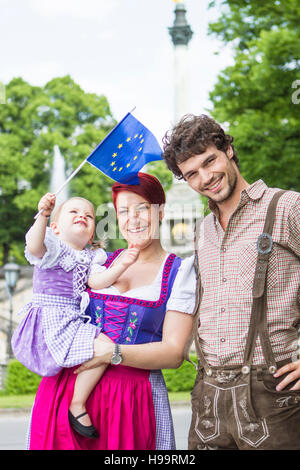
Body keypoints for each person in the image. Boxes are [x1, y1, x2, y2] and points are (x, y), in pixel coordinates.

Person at [26, 172, 196, 450]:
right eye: (124, 211)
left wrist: (112, 353)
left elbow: (175, 353)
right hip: (64, 393)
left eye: (142, 208)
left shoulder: (179, 272)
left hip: (132, 400)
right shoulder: (101, 262)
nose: (133, 218)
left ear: (161, 212)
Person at [162, 113, 300, 450]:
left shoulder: (287, 207)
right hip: (208, 395)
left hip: (275, 394)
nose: (206, 177)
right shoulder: (201, 232)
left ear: (229, 149)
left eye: (210, 161)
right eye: (191, 173)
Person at [12, 194, 140, 440]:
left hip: (71, 319)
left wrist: (122, 266)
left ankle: (76, 403)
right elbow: (33, 245)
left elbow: (96, 282)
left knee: (107, 348)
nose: (82, 215)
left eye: (89, 215)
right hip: (49, 317)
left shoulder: (91, 258)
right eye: (73, 212)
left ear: (91, 234)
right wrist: (43, 215)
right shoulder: (51, 247)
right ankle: (76, 403)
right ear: (56, 229)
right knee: (103, 347)